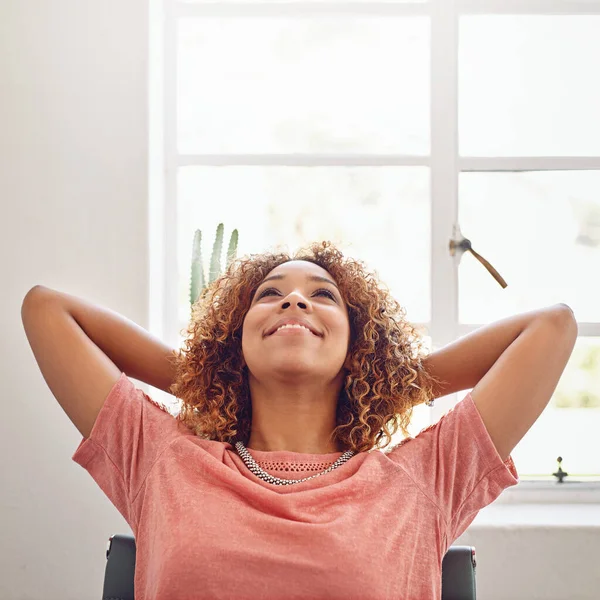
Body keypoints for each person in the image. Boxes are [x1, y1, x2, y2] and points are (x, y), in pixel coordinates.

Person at [30, 240, 572, 599]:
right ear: (235, 338)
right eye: (270, 295)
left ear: (358, 345)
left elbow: (552, 328)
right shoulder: (162, 459)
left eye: (322, 296)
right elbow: (47, 310)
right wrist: (209, 374)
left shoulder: (421, 479)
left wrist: (389, 381)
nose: (293, 299)